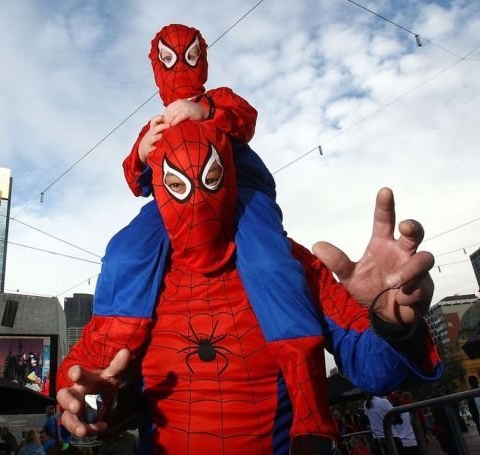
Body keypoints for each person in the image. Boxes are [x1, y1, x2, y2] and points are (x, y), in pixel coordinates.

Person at [57, 121, 441, 454]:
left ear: (230, 177)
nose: (196, 202)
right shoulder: (139, 280)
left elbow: (378, 372)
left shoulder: (290, 266)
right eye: (176, 185)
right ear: (159, 188)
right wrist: (90, 407)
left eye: (210, 179)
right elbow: (91, 393)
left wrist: (390, 321)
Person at [105, 22, 335, 439]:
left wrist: (206, 112)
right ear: (156, 66)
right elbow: (136, 180)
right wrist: (141, 152)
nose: (180, 68)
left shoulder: (219, 98)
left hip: (240, 193)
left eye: (190, 57)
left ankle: (310, 410)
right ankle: (120, 371)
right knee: (124, 252)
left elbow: (246, 121)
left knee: (270, 264)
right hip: (170, 204)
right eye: (169, 59)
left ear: (203, 59)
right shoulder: (153, 124)